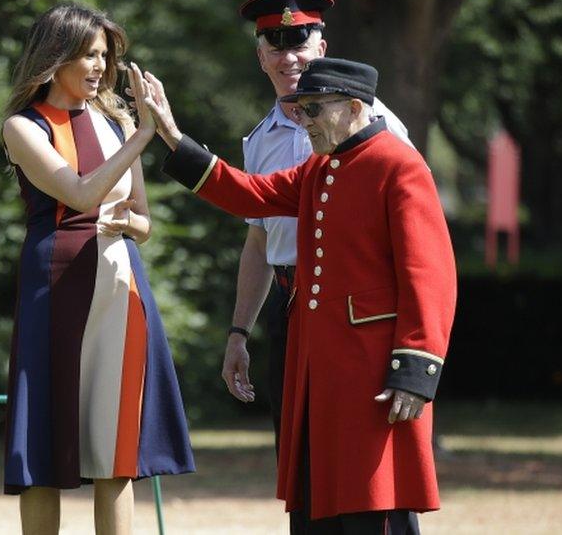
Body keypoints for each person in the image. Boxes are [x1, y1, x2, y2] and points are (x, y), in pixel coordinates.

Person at [143, 57, 456, 533]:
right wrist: (170, 135)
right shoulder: (317, 168)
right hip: (317, 366)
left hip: (373, 370)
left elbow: (429, 274)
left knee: (374, 504)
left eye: (313, 108)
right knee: (317, 498)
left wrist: (416, 368)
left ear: (354, 107)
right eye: (299, 108)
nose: (302, 119)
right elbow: (246, 193)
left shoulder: (398, 164)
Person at [0, 4, 194, 535]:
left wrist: (128, 220)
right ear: (55, 55)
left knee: (116, 449)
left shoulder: (118, 122)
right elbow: (80, 193)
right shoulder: (23, 126)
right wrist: (145, 134)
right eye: (88, 55)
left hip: (119, 282)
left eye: (104, 57)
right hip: (55, 281)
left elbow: (145, 223)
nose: (98, 67)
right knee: (44, 443)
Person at [222, 0, 412, 456]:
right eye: (276, 46)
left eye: (299, 45)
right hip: (289, 306)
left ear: (321, 49)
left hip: (355, 308)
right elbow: (259, 242)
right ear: (260, 56)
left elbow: (412, 245)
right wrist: (239, 333)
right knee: (298, 452)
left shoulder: (375, 123)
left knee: (364, 456)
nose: (289, 58)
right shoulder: (259, 141)